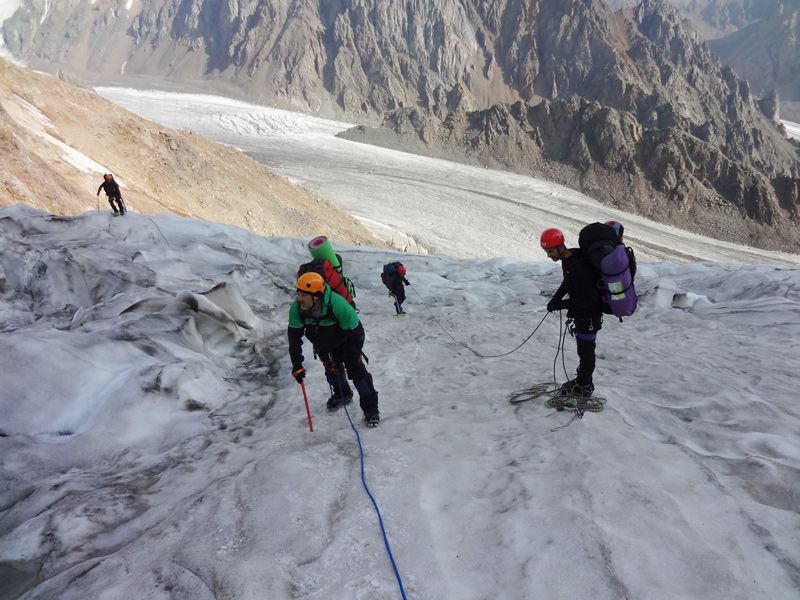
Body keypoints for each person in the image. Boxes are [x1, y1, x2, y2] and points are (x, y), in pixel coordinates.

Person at [288, 272, 380, 426]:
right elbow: (294, 338)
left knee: (358, 375)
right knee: (332, 372)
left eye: (304, 295)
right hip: (323, 345)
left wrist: (353, 355)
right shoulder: (297, 309)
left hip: (347, 343)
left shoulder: (337, 305)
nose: (299, 299)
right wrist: (297, 364)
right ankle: (343, 394)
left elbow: (357, 333)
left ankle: (371, 410)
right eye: (299, 294)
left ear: (316, 296)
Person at [540, 227, 603, 397]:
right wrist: (556, 298)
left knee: (586, 352)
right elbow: (568, 281)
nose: (549, 255)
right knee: (584, 351)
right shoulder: (570, 258)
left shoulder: (577, 266)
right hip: (585, 315)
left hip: (589, 316)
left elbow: (589, 298)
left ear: (560, 247)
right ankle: (583, 382)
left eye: (550, 251)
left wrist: (561, 304)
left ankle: (584, 387)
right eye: (547, 251)